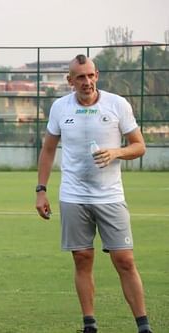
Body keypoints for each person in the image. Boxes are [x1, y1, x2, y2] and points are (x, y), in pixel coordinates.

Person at [35, 54, 152, 333]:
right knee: (82, 258)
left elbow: (139, 146)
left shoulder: (117, 104)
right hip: (74, 196)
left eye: (90, 75)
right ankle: (90, 324)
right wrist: (41, 190)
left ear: (96, 75)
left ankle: (143, 326)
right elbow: (48, 149)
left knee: (124, 260)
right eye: (80, 77)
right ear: (70, 81)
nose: (86, 82)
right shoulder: (60, 107)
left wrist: (117, 152)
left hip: (110, 196)